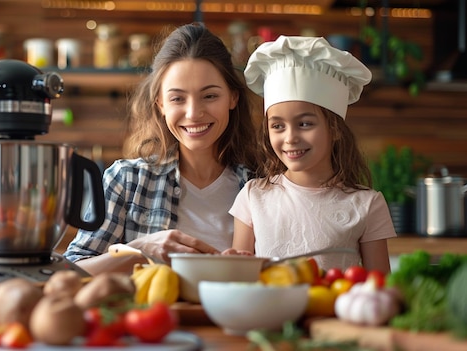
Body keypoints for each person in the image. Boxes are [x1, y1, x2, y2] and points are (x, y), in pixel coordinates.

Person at [63, 22, 262, 274]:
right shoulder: (126, 180)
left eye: (210, 96)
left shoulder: (261, 185)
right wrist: (139, 249)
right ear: (160, 104)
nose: (193, 113)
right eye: (177, 98)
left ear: (233, 97)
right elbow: (69, 272)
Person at [227, 35, 395, 274]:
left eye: (305, 124)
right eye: (277, 126)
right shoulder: (253, 197)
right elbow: (239, 279)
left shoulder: (367, 205)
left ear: (335, 129)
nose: (290, 137)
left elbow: (380, 289)